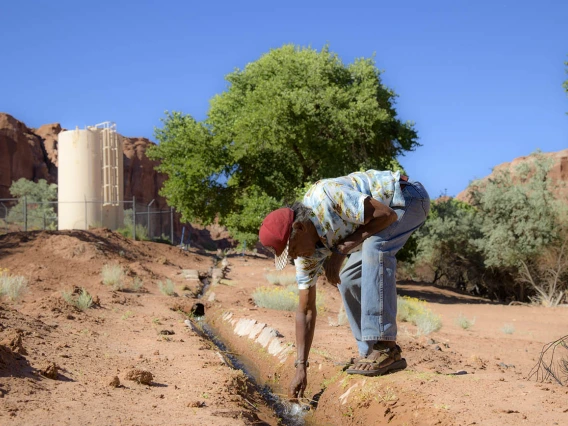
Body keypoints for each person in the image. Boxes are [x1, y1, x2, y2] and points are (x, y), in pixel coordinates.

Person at [258, 169, 430, 400]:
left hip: (405, 199)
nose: (293, 257)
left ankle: (386, 349)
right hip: (381, 219)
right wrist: (301, 366)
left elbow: (386, 216)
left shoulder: (327, 197)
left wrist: (341, 250)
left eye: (292, 250)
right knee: (348, 278)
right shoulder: (306, 254)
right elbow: (306, 310)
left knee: (375, 248)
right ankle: (370, 352)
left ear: (299, 228)